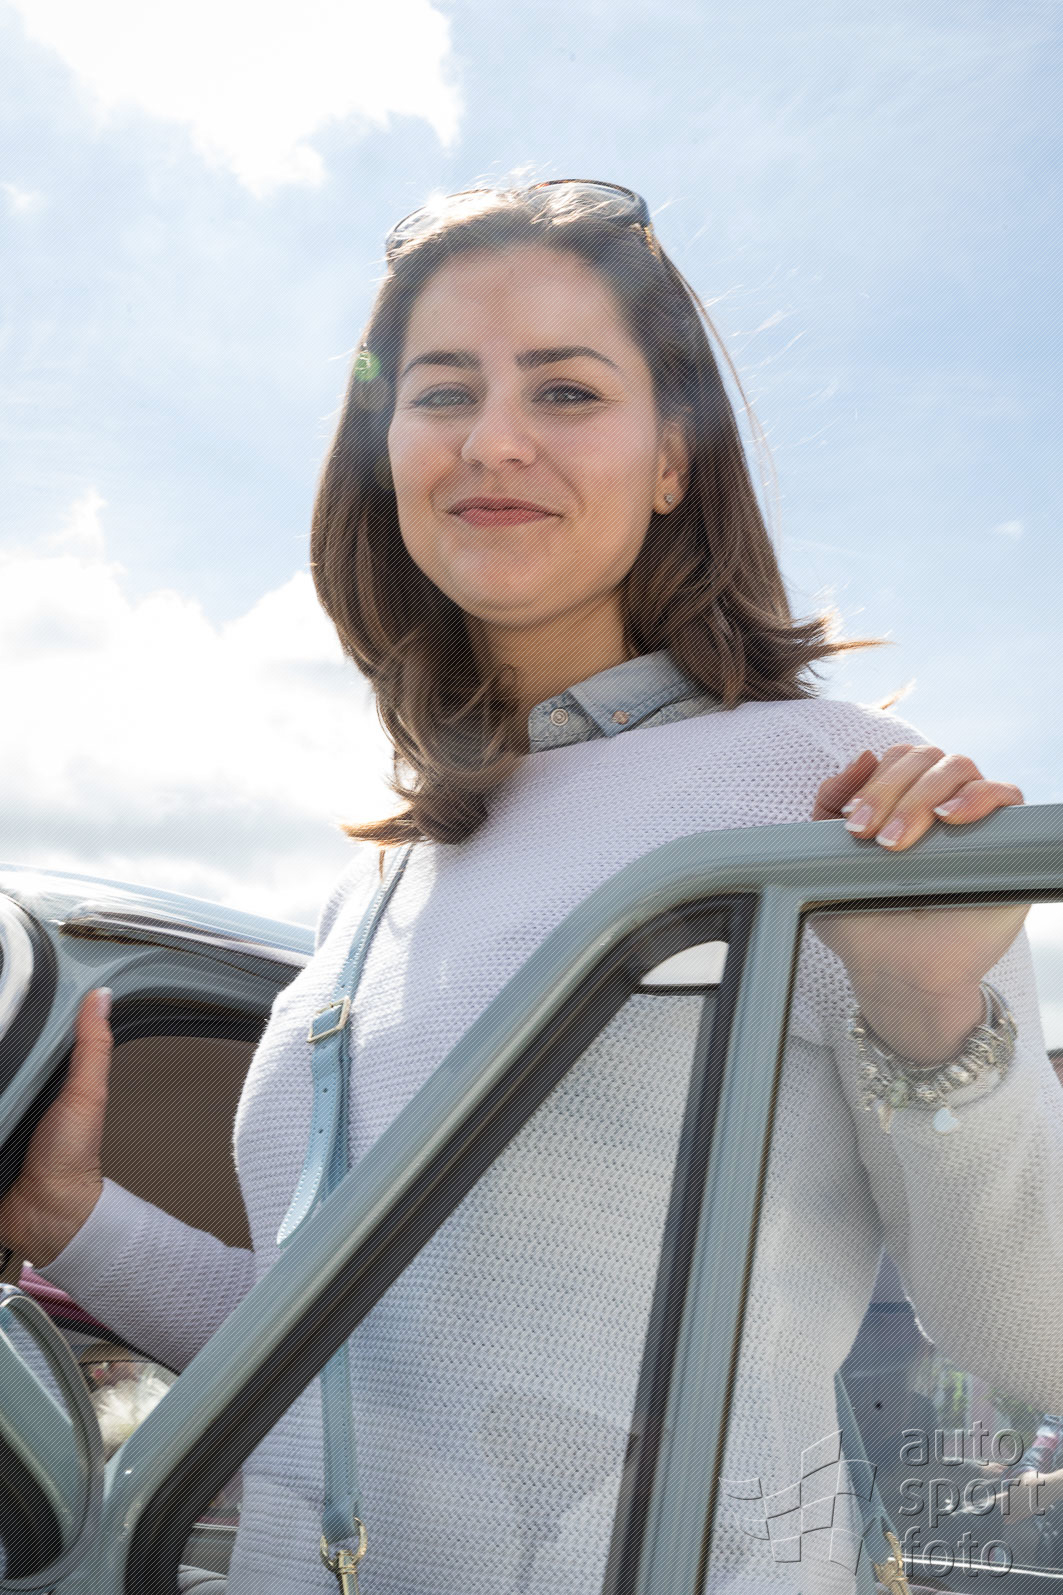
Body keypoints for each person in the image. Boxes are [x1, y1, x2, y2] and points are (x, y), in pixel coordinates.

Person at [0, 180, 1059, 1595]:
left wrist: (938, 1021)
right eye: (443, 392)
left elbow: (1040, 1335)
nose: (493, 440)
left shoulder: (825, 792)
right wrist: (73, 1224)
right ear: (387, 452)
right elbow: (333, 1363)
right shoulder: (380, 882)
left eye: (566, 390)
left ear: (673, 459)